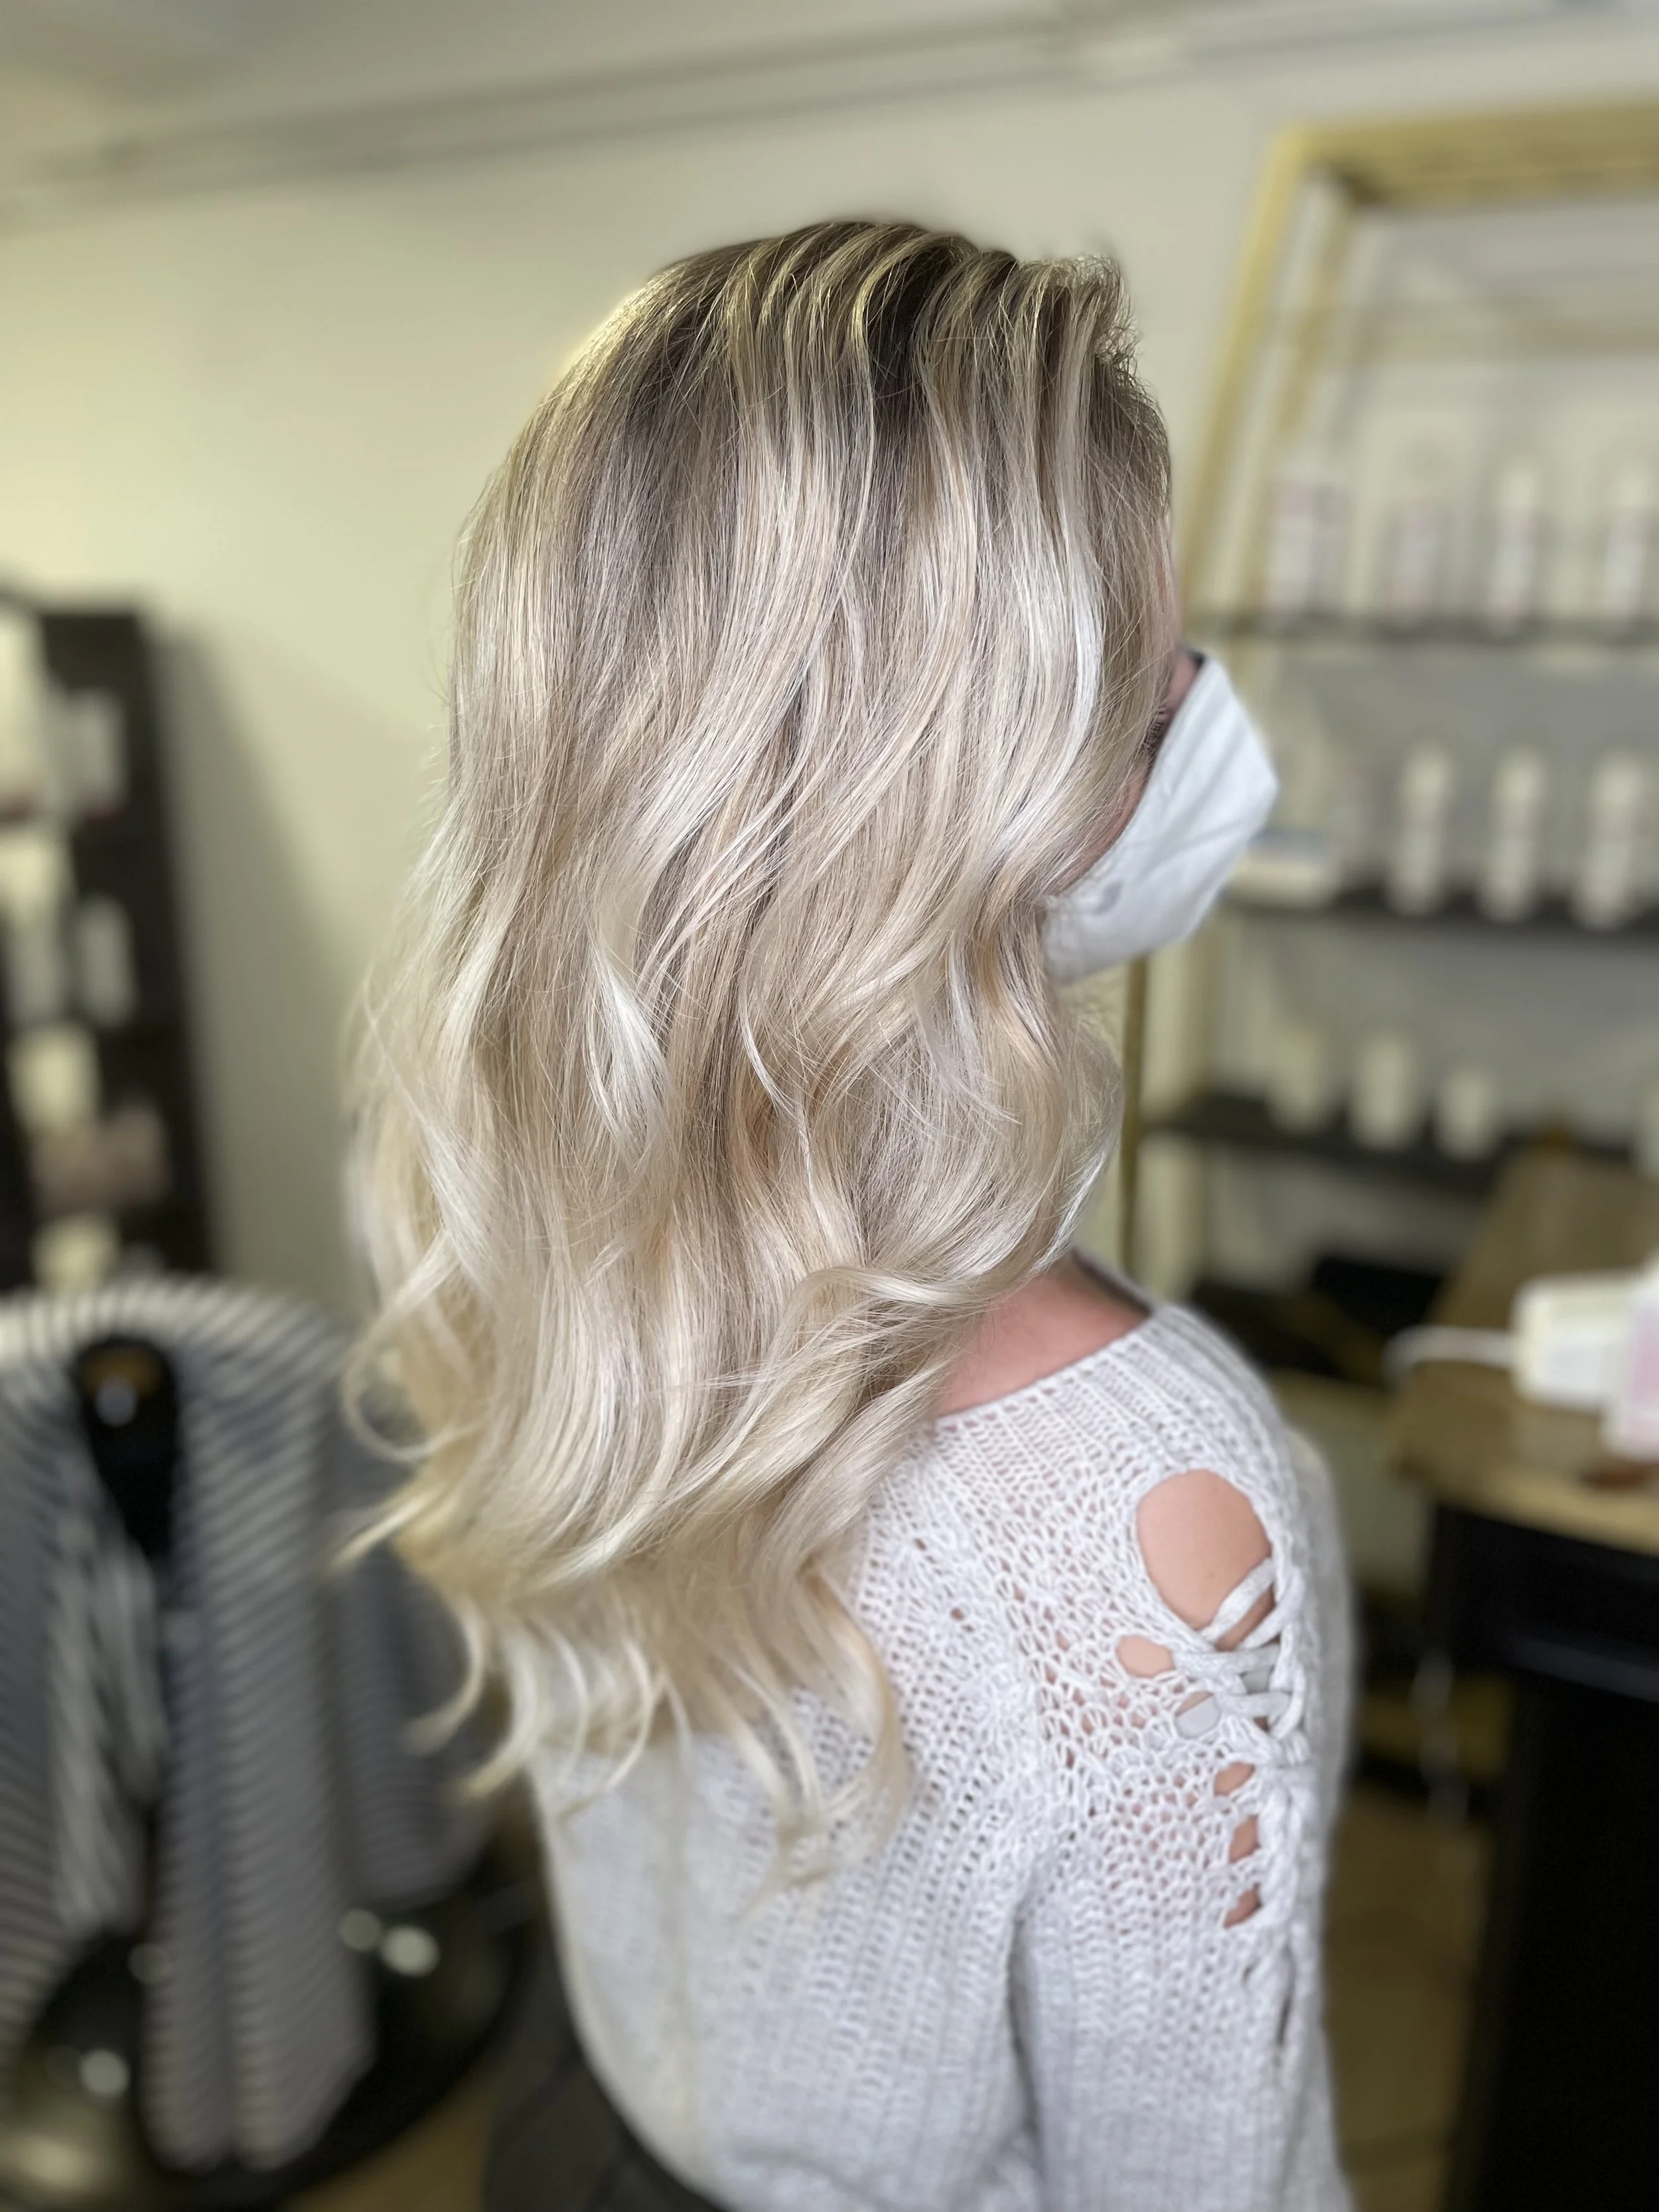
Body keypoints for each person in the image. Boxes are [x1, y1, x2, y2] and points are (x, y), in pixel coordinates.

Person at [344, 219, 1354, 2211]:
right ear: (992, 804)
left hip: (582, 2123)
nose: (1201, 718)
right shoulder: (1147, 1504)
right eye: (1154, 702)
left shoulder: (497, 1173)